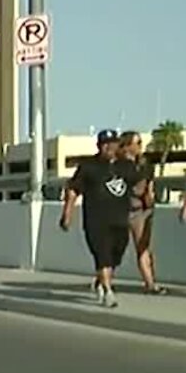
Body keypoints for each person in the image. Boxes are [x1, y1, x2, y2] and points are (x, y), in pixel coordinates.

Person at [60, 129, 133, 308]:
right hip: (96, 221)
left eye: (113, 144)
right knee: (103, 255)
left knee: (116, 254)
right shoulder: (88, 166)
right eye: (105, 144)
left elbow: (138, 185)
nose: (109, 147)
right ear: (99, 146)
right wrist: (67, 214)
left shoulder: (126, 165)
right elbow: (73, 190)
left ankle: (101, 281)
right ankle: (108, 291)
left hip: (121, 219)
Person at [118, 131, 165, 294]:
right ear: (127, 145)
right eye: (136, 143)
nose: (140, 146)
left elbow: (149, 187)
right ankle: (102, 278)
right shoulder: (117, 165)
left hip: (140, 210)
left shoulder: (145, 164)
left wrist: (150, 201)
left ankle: (150, 283)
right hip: (120, 210)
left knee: (143, 247)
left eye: (140, 143)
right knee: (114, 248)